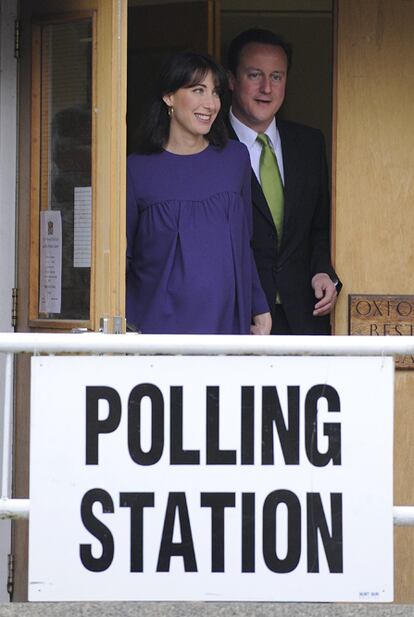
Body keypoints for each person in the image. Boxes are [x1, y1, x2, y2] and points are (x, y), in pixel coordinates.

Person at [126, 50, 271, 335]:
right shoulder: (136, 168)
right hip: (158, 331)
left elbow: (244, 242)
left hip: (226, 326)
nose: (210, 104)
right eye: (198, 90)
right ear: (169, 96)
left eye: (215, 93)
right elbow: (123, 258)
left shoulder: (235, 159)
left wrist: (259, 305)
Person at [227, 29, 341, 334]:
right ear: (231, 80)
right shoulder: (210, 145)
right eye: (255, 75)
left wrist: (323, 272)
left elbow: (319, 226)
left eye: (276, 76)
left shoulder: (309, 143)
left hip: (304, 315)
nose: (267, 87)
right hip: (239, 319)